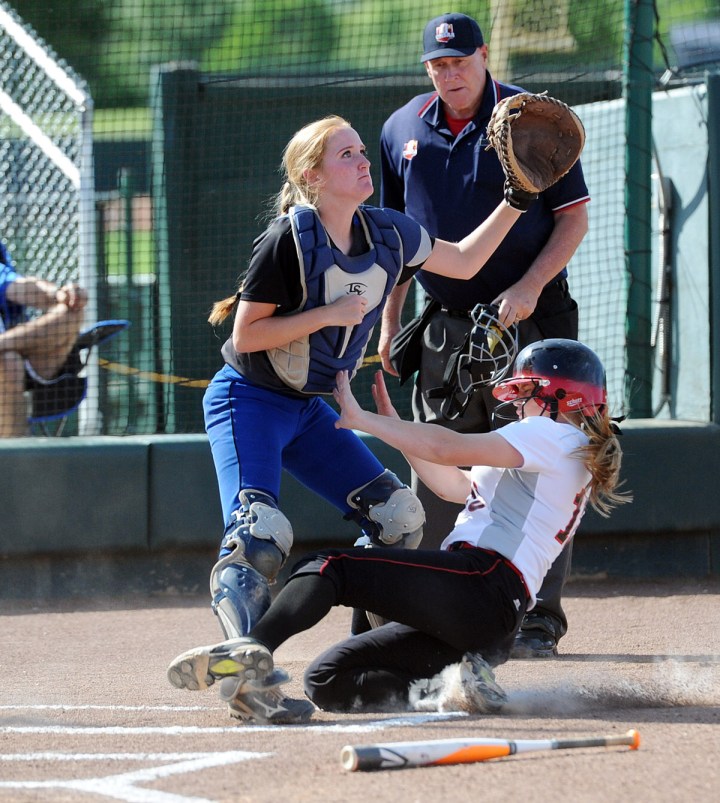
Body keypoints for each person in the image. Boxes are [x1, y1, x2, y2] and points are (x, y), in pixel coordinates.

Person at [190, 114, 531, 722]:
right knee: (259, 535)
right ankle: (246, 678)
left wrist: (516, 199)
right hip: (250, 398)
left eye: (360, 152)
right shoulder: (289, 240)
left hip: (313, 407)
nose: (362, 162)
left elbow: (464, 261)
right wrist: (328, 315)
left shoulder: (389, 234)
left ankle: (363, 658)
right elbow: (247, 335)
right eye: (346, 155)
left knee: (398, 520)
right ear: (312, 177)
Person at [167, 338, 629, 724]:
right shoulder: (567, 448)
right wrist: (394, 432)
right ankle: (451, 688)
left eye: (528, 391)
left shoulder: (555, 435)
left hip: (482, 583)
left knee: (328, 566)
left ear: (560, 397)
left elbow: (449, 448)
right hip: (488, 615)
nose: (519, 402)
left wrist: (368, 421)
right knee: (327, 681)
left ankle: (250, 651)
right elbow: (455, 486)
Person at [377, 12, 591, 659]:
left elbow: (574, 220)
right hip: (446, 322)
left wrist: (527, 286)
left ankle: (537, 621)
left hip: (533, 321)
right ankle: (440, 608)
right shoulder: (400, 130)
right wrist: (390, 321)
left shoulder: (526, 119)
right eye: (438, 65)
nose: (451, 74)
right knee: (440, 464)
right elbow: (395, 238)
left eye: (460, 61)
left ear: (484, 55)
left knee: (541, 467)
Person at [0, 240, 88, 437]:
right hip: (10, 364)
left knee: (73, 313)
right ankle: (14, 456)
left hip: (22, 366)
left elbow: (23, 287)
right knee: (9, 362)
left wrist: (60, 294)